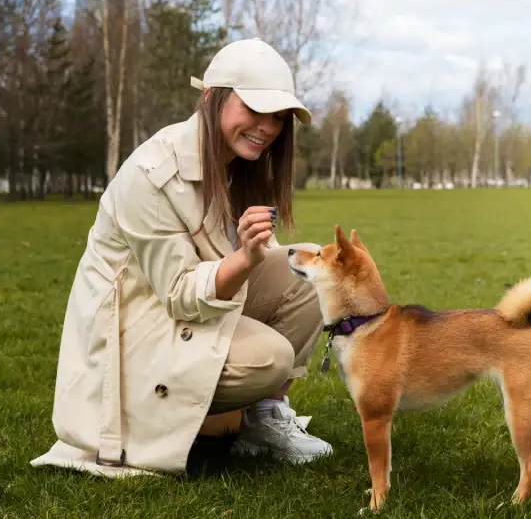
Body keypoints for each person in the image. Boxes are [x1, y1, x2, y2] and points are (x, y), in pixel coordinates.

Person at [30, 38, 333, 477]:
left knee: (311, 269)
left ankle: (262, 419)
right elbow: (178, 294)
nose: (267, 127)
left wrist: (249, 256)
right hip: (138, 333)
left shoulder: (237, 164)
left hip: (186, 308)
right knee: (270, 357)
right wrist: (245, 259)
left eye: (278, 117)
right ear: (210, 97)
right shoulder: (154, 173)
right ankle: (165, 418)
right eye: (255, 109)